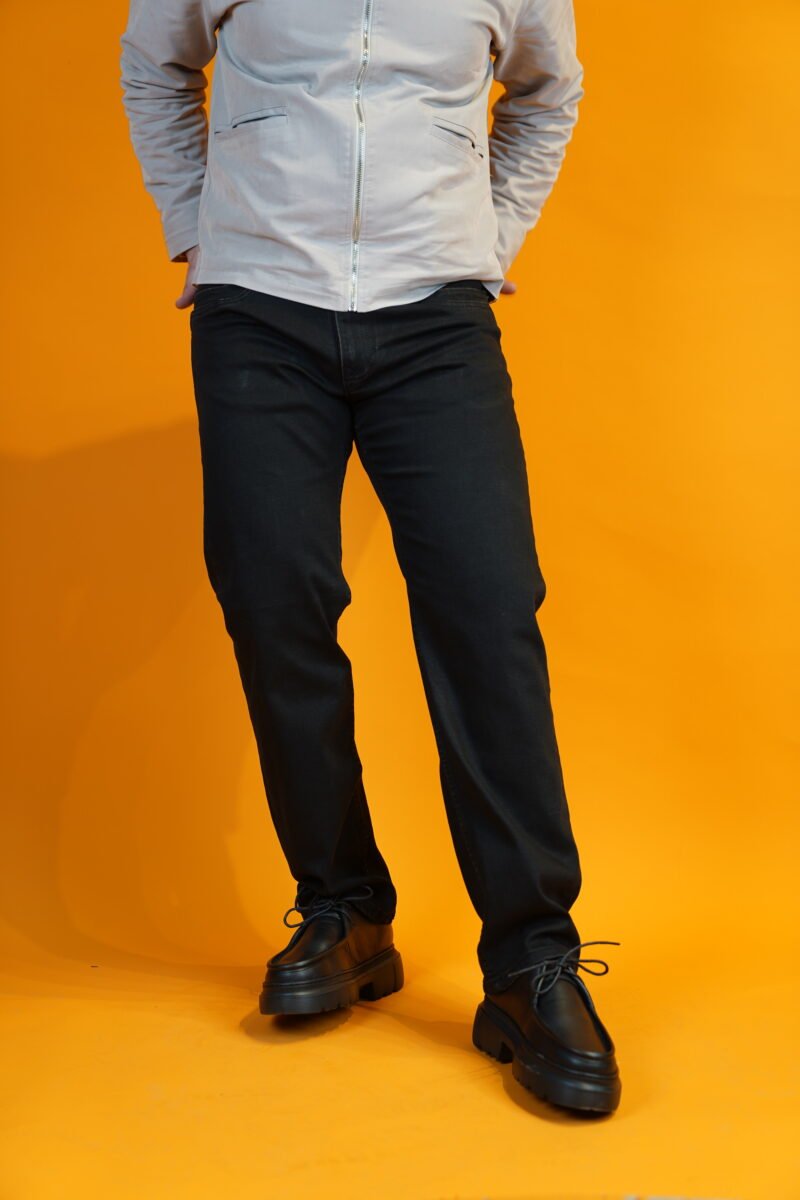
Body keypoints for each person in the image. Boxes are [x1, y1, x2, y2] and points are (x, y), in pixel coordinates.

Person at [120, 0, 622, 1114]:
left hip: (434, 319)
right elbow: (153, 64)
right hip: (258, 312)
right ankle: (344, 910)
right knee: (274, 604)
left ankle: (530, 961)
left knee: (488, 612)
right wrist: (195, 224)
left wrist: (490, 238)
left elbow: (548, 91)